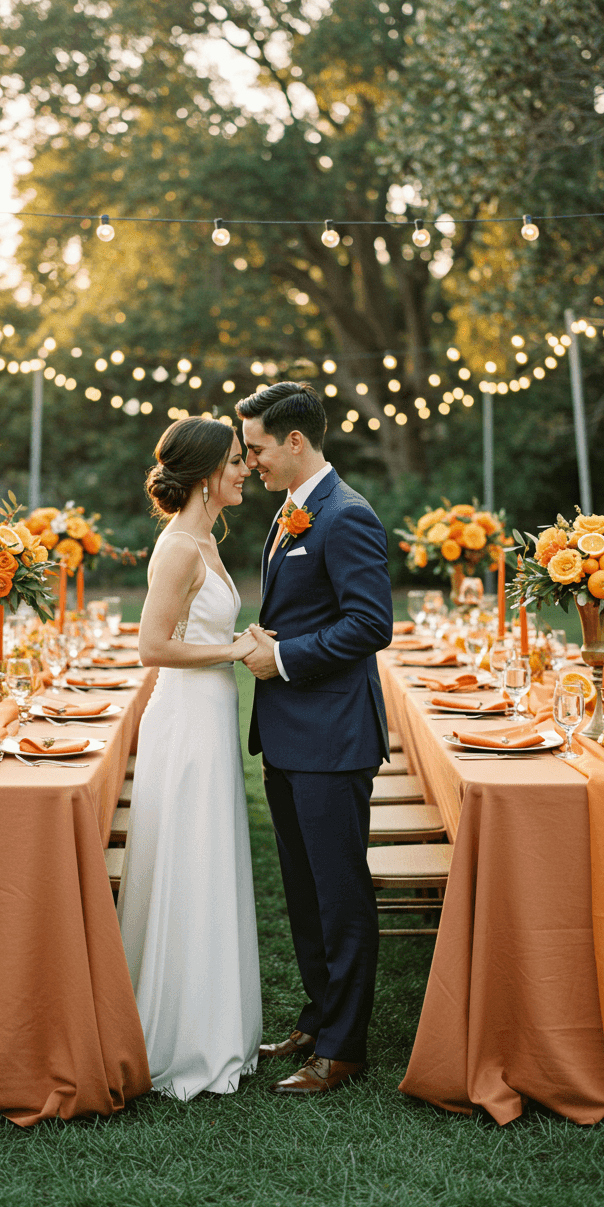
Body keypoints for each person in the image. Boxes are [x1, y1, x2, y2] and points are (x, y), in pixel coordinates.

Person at [235, 381, 393, 1096]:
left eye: (258, 448)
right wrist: (274, 639)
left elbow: (370, 624)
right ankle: (317, 1017)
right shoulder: (292, 509)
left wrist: (285, 657)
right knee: (303, 891)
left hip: (331, 736)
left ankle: (345, 1045)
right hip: (291, 733)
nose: (250, 461)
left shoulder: (345, 516)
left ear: (295, 441)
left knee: (339, 892)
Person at [116, 417, 263, 1100]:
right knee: (190, 860)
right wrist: (233, 649)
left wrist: (241, 637)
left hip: (207, 716)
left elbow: (199, 627)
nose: (245, 470)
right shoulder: (179, 546)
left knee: (208, 861)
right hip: (185, 717)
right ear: (206, 473)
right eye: (236, 461)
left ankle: (215, 1025)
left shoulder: (206, 536)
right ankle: (184, 1039)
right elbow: (152, 647)